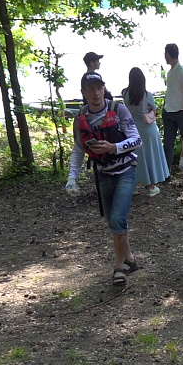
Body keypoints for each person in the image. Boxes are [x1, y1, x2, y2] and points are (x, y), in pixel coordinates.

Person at [65, 72, 143, 286]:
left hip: (126, 170)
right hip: (102, 173)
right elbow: (79, 149)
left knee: (118, 217)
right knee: (112, 220)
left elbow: (136, 140)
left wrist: (113, 147)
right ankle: (130, 258)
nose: (96, 93)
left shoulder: (118, 109)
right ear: (83, 92)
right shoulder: (81, 117)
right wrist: (73, 178)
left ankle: (119, 266)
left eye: (99, 88)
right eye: (90, 89)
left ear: (103, 89)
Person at [121, 67, 170, 197]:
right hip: (148, 130)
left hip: (131, 129)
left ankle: (134, 185)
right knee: (150, 157)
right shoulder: (147, 95)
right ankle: (151, 186)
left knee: (134, 159)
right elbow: (153, 110)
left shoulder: (125, 93)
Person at [162, 43, 183, 171]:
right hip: (169, 111)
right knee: (168, 144)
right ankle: (166, 171)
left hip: (181, 112)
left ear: (168, 55)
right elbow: (170, 90)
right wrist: (165, 105)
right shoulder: (171, 72)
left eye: (165, 54)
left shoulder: (182, 71)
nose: (165, 57)